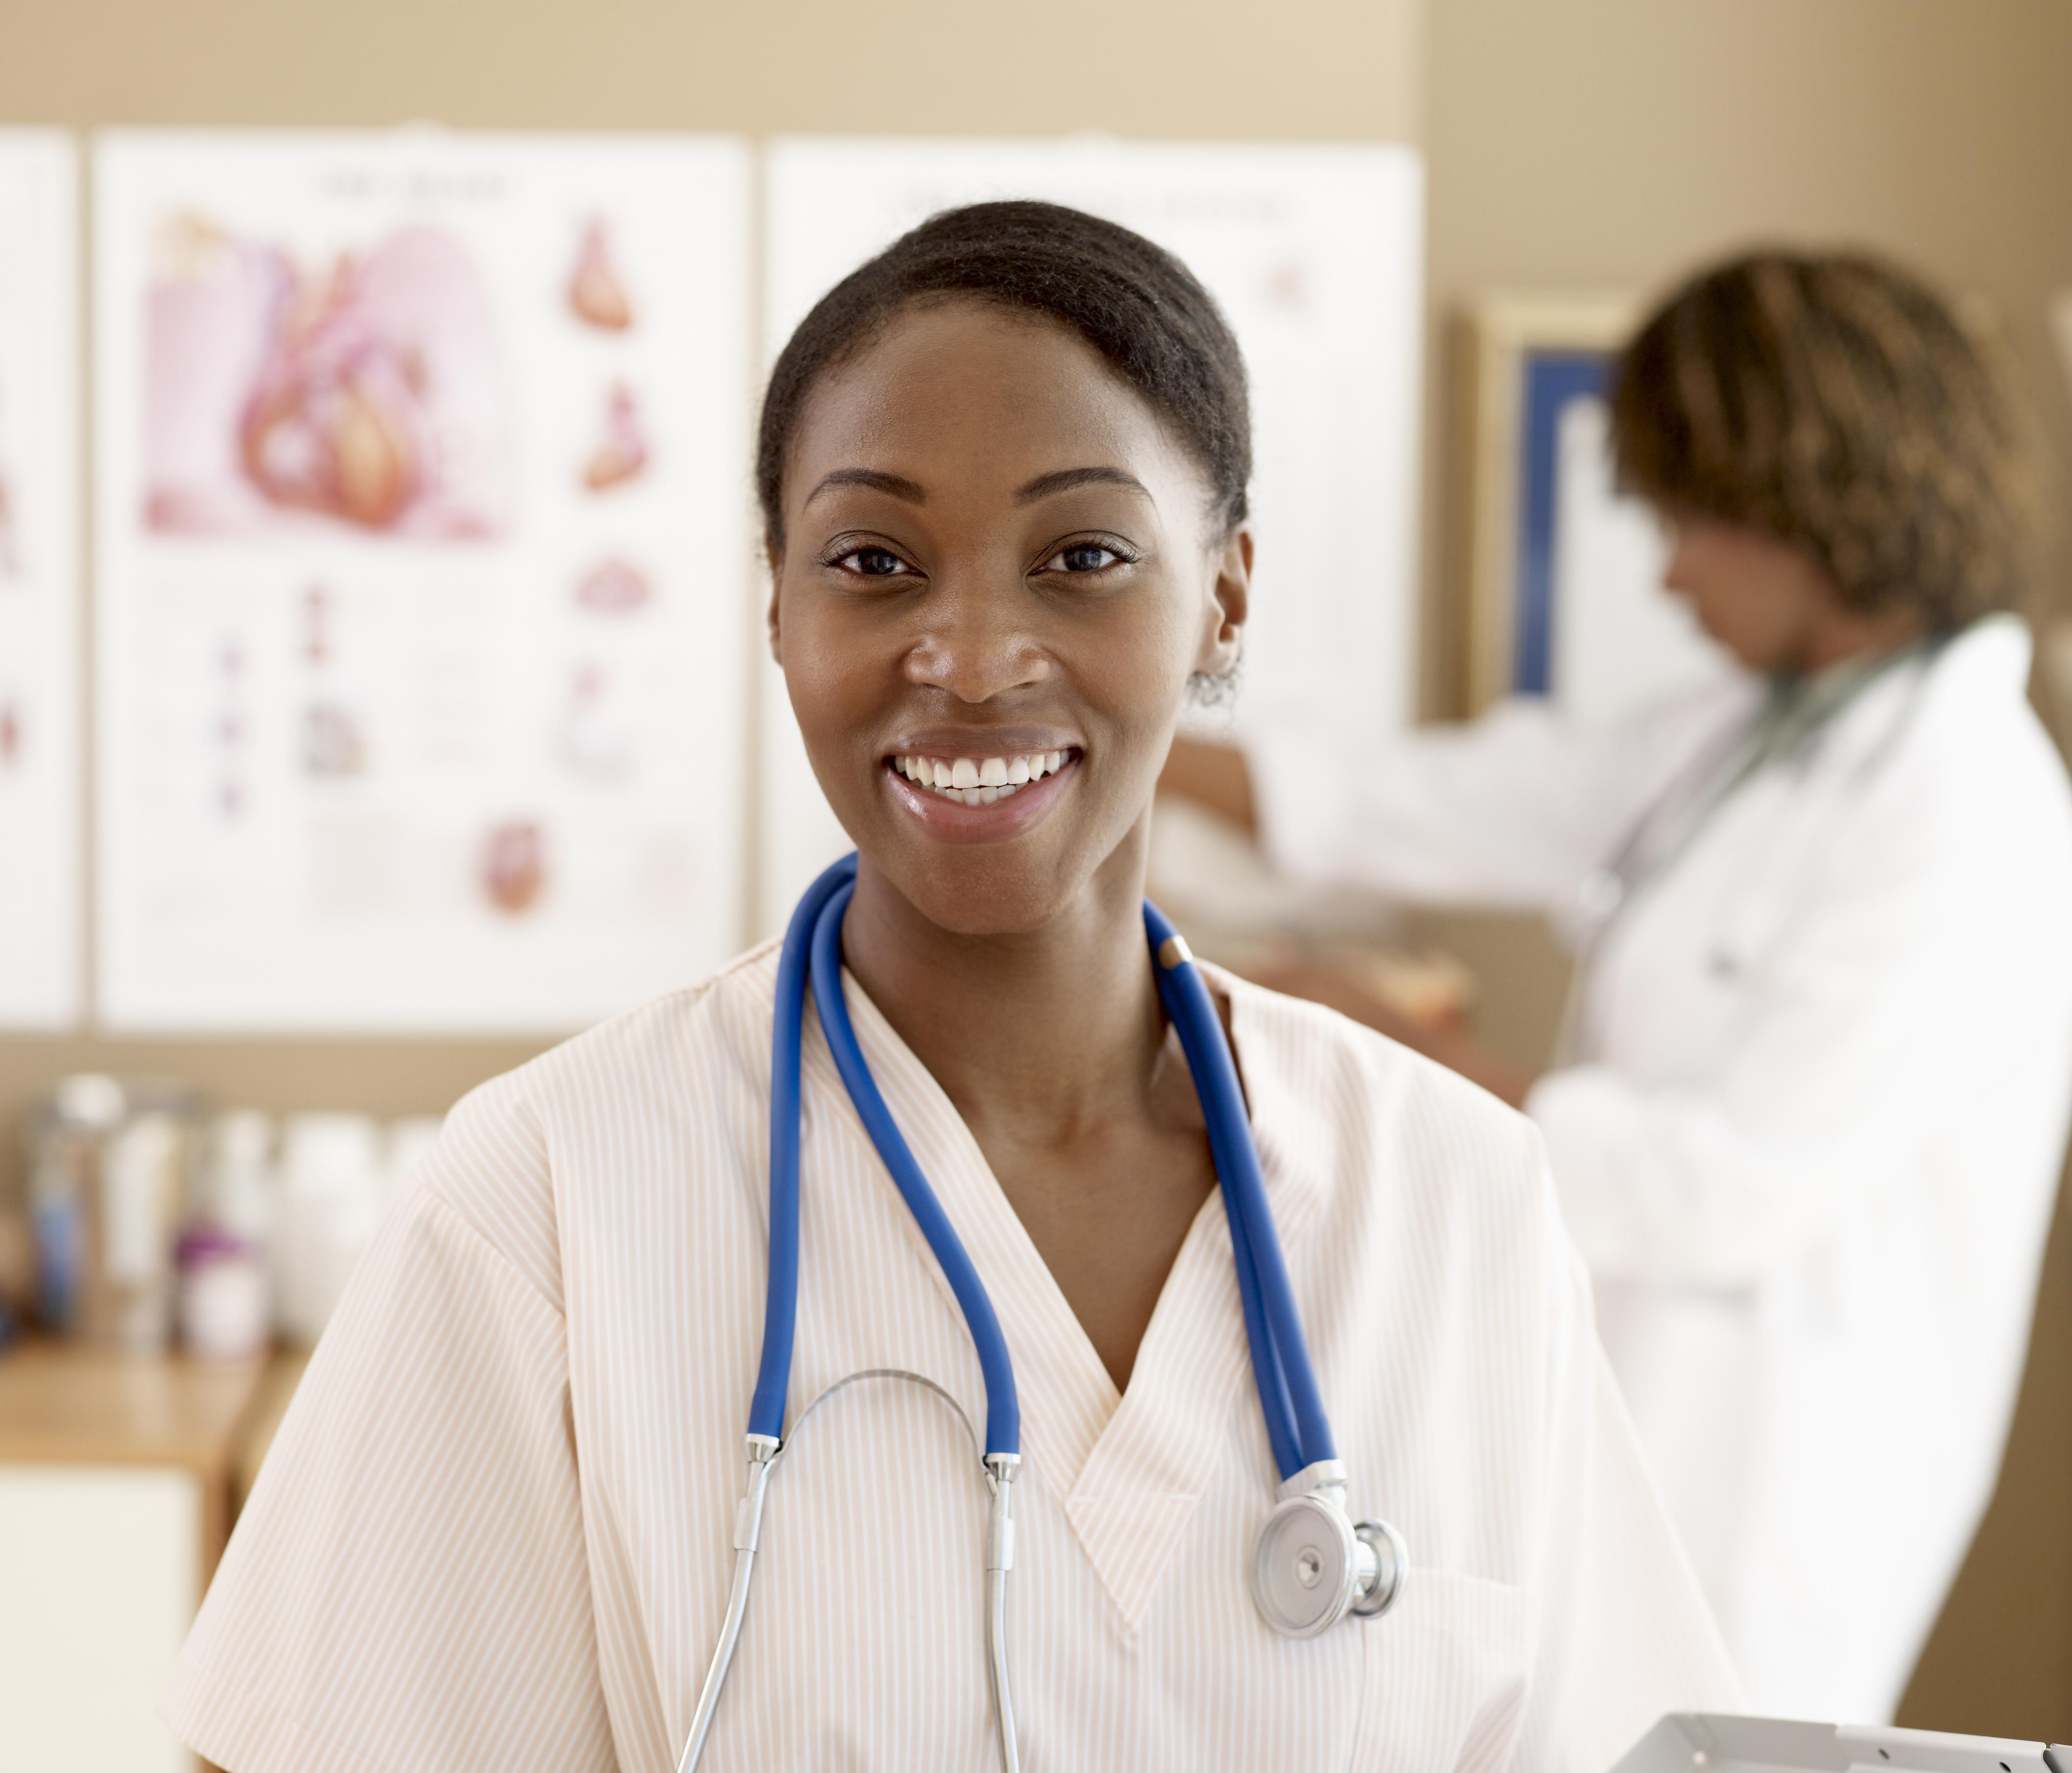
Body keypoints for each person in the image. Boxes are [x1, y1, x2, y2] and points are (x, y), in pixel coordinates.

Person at [163, 202, 1737, 1773]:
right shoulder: (547, 1198)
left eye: (1084, 556)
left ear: (1224, 599)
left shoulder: (1456, 1198)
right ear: (778, 600)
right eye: (873, 559)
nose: (974, 655)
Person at [1161, 250, 2072, 1725]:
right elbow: (1447, 800)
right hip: (1628, 1436)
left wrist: (1405, 1045)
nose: (1667, 570)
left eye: (1688, 519)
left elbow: (1719, 1186)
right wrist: (1125, 718)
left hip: (1769, 1502)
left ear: (1807, 498)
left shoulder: (1964, 806)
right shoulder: (1762, 730)